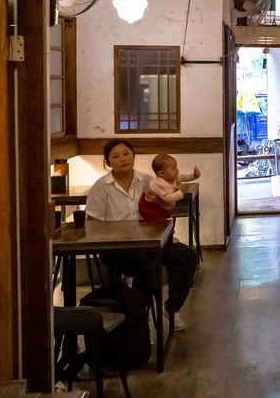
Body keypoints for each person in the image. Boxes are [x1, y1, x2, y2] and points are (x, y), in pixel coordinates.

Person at [84, 140, 198, 331]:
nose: (122, 159)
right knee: (146, 266)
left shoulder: (148, 181)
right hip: (116, 248)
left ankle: (172, 308)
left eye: (126, 153)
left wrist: (167, 233)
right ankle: (140, 322)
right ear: (108, 162)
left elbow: (169, 207)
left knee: (187, 256)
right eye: (116, 156)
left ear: (133, 156)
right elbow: (92, 223)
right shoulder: (101, 187)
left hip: (150, 242)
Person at [138, 153, 200, 222]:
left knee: (165, 217)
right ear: (162, 173)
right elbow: (168, 198)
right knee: (159, 222)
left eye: (176, 167)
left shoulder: (173, 177)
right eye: (173, 169)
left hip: (159, 203)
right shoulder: (160, 184)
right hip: (148, 206)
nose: (177, 170)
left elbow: (183, 176)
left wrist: (194, 175)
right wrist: (181, 192)